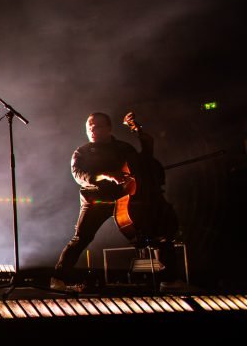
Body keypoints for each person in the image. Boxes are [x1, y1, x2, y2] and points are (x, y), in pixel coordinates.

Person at [51, 112, 183, 292]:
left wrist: (143, 137)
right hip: (97, 199)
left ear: (109, 128)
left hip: (126, 197)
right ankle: (59, 279)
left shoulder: (124, 148)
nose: (92, 129)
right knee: (82, 237)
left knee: (158, 233)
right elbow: (80, 175)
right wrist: (105, 175)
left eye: (97, 126)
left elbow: (143, 163)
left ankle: (169, 280)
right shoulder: (82, 151)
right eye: (89, 126)